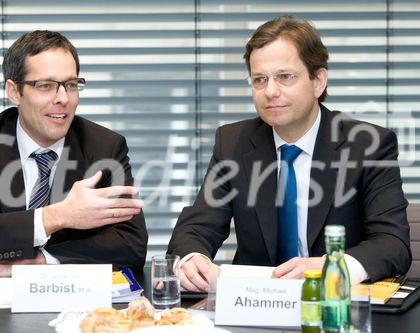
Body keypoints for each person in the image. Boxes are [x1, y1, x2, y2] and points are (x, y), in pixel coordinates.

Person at [167, 16, 411, 292]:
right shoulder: (233, 143)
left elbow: (392, 243)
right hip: (253, 306)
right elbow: (197, 227)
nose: (270, 91)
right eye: (259, 79)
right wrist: (192, 259)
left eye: (285, 77)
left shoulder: (368, 145)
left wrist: (333, 266)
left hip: (334, 306)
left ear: (318, 81)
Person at [0, 30, 147, 277]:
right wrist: (53, 217)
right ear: (14, 91)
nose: (63, 98)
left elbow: (131, 245)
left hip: (74, 301)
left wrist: (38, 262)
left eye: (70, 85)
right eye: (46, 85)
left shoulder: (105, 147)